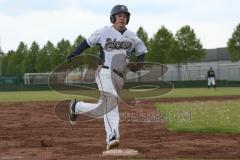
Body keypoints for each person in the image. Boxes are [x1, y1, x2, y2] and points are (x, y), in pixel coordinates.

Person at [66, 4, 147, 150]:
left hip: (120, 77)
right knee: (111, 102)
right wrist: (75, 53)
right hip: (104, 72)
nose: (122, 18)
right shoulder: (104, 32)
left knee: (101, 109)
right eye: (119, 15)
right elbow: (87, 42)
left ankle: (76, 107)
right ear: (113, 17)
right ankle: (112, 136)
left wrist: (139, 64)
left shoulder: (132, 36)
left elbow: (141, 51)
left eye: (125, 16)